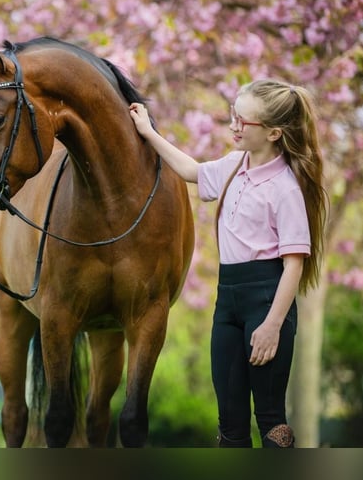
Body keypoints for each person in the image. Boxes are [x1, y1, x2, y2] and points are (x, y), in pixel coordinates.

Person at [129, 79, 328, 448]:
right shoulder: (235, 165)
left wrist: (272, 325)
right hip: (228, 300)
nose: (234, 125)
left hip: (268, 301)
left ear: (273, 133)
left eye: (243, 121)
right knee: (230, 422)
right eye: (233, 116)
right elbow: (192, 171)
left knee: (270, 420)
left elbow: (295, 265)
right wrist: (147, 132)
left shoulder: (285, 188)